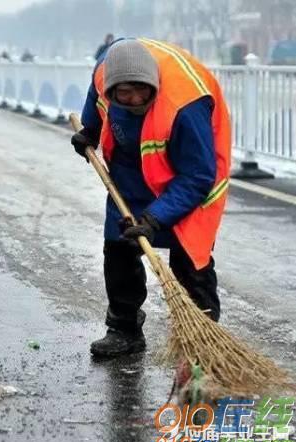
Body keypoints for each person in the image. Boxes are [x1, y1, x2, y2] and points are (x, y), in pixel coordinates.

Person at [70, 38, 231, 358]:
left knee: (190, 259)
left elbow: (198, 176)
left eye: (141, 91)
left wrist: (154, 218)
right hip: (132, 166)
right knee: (118, 245)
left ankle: (204, 338)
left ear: (153, 82)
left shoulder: (186, 106)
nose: (133, 99)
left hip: (190, 175)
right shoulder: (105, 76)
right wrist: (90, 129)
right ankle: (124, 329)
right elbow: (96, 99)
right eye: (124, 94)